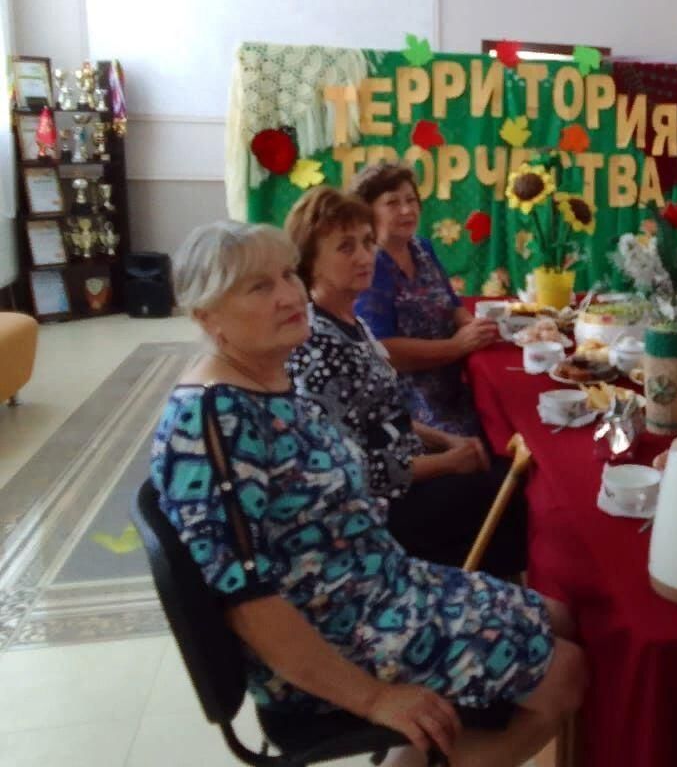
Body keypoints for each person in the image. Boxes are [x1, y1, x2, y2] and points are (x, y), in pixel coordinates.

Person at [151, 220, 585, 766]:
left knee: (564, 619)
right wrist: (376, 697)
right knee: (567, 672)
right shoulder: (212, 422)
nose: (289, 295)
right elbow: (247, 603)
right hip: (334, 635)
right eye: (258, 287)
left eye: (287, 274)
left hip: (380, 590)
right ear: (206, 315)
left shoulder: (270, 377)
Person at [283, 187, 527, 577]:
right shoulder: (318, 348)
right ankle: (485, 601)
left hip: (410, 466)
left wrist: (444, 440)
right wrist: (445, 462)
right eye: (346, 248)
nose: (366, 257)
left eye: (367, 242)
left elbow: (382, 414)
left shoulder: (349, 321)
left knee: (501, 467)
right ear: (310, 263)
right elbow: (352, 470)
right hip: (379, 511)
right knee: (514, 492)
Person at [350, 163, 499, 436]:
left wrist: (476, 327)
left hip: (450, 389)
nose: (407, 210)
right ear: (368, 210)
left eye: (411, 200)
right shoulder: (369, 265)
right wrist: (456, 346)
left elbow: (452, 305)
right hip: (408, 405)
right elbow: (384, 350)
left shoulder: (422, 248)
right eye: (392, 203)